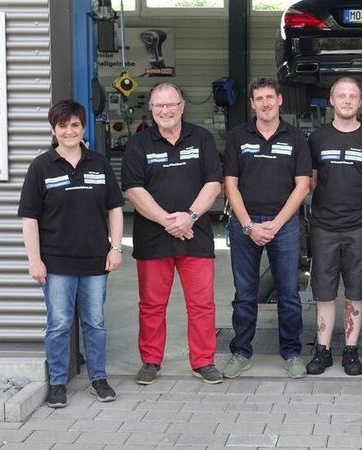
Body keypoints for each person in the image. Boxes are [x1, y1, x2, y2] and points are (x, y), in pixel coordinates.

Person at [18, 99, 124, 408]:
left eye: (75, 125)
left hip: (94, 260)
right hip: (56, 263)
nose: (69, 131)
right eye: (62, 126)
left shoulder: (99, 163)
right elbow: (29, 219)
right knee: (59, 323)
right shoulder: (41, 167)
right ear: (54, 129)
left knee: (95, 322)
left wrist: (115, 248)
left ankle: (99, 379)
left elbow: (114, 209)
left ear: (83, 127)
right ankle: (58, 383)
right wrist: (34, 260)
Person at [121, 82, 223, 385]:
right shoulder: (139, 144)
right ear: (152, 110)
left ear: (182, 106)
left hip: (197, 233)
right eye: (158, 106)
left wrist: (189, 217)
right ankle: (151, 360)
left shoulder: (201, 138)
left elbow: (214, 183)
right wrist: (169, 221)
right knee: (151, 304)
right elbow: (133, 190)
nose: (165, 110)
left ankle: (203, 361)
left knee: (202, 304)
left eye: (170, 104)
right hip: (154, 237)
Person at [222, 77, 312, 379]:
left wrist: (276, 223)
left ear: (280, 100)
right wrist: (249, 225)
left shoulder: (297, 138)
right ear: (252, 103)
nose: (265, 103)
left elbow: (302, 186)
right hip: (244, 224)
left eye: (269, 97)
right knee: (245, 293)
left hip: (283, 225)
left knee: (288, 292)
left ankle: (291, 352)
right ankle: (241, 352)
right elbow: (230, 185)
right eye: (259, 98)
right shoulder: (237, 136)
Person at [305, 77, 362, 376]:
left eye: (353, 96)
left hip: (360, 227)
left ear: (360, 102)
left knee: (355, 292)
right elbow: (309, 182)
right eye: (341, 96)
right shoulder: (317, 138)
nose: (347, 101)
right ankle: (322, 351)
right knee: (323, 292)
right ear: (331, 101)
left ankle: (350, 351)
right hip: (324, 227)